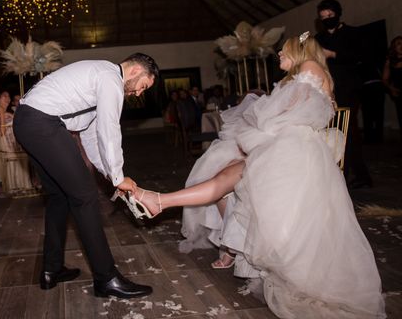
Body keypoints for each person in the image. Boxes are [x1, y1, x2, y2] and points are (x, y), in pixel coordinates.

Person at [127, 34, 385, 319]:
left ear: (298, 52)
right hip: (290, 147)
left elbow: (273, 115)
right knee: (224, 176)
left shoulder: (310, 67)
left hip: (294, 152)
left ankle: (160, 202)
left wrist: (256, 113)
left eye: (283, 52)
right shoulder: (310, 74)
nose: (279, 57)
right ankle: (159, 201)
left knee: (225, 176)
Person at [13, 53, 158, 298]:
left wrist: (110, 175)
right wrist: (118, 175)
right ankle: (106, 278)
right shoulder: (110, 78)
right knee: (85, 197)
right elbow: (109, 129)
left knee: (60, 197)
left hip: (27, 121)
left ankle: (52, 269)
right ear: (134, 71)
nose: (139, 93)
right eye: (143, 86)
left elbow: (91, 136)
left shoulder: (100, 78)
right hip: (41, 122)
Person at [315, 0, 372, 188]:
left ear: (338, 14)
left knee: (349, 130)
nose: (327, 19)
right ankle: (342, 174)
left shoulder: (353, 33)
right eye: (323, 17)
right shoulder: (318, 38)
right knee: (335, 132)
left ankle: (357, 175)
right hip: (328, 90)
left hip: (350, 88)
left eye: (330, 15)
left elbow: (362, 56)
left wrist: (333, 55)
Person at [0, 90, 34, 195]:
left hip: (18, 143)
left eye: (9, 96)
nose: (8, 98)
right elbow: (2, 133)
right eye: (4, 96)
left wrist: (11, 115)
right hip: (7, 146)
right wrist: (2, 114)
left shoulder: (12, 113)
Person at [383, 35, 402, 141]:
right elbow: (385, 79)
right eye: (398, 44)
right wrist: (392, 89)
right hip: (398, 94)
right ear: (394, 47)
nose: (401, 46)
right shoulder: (390, 61)